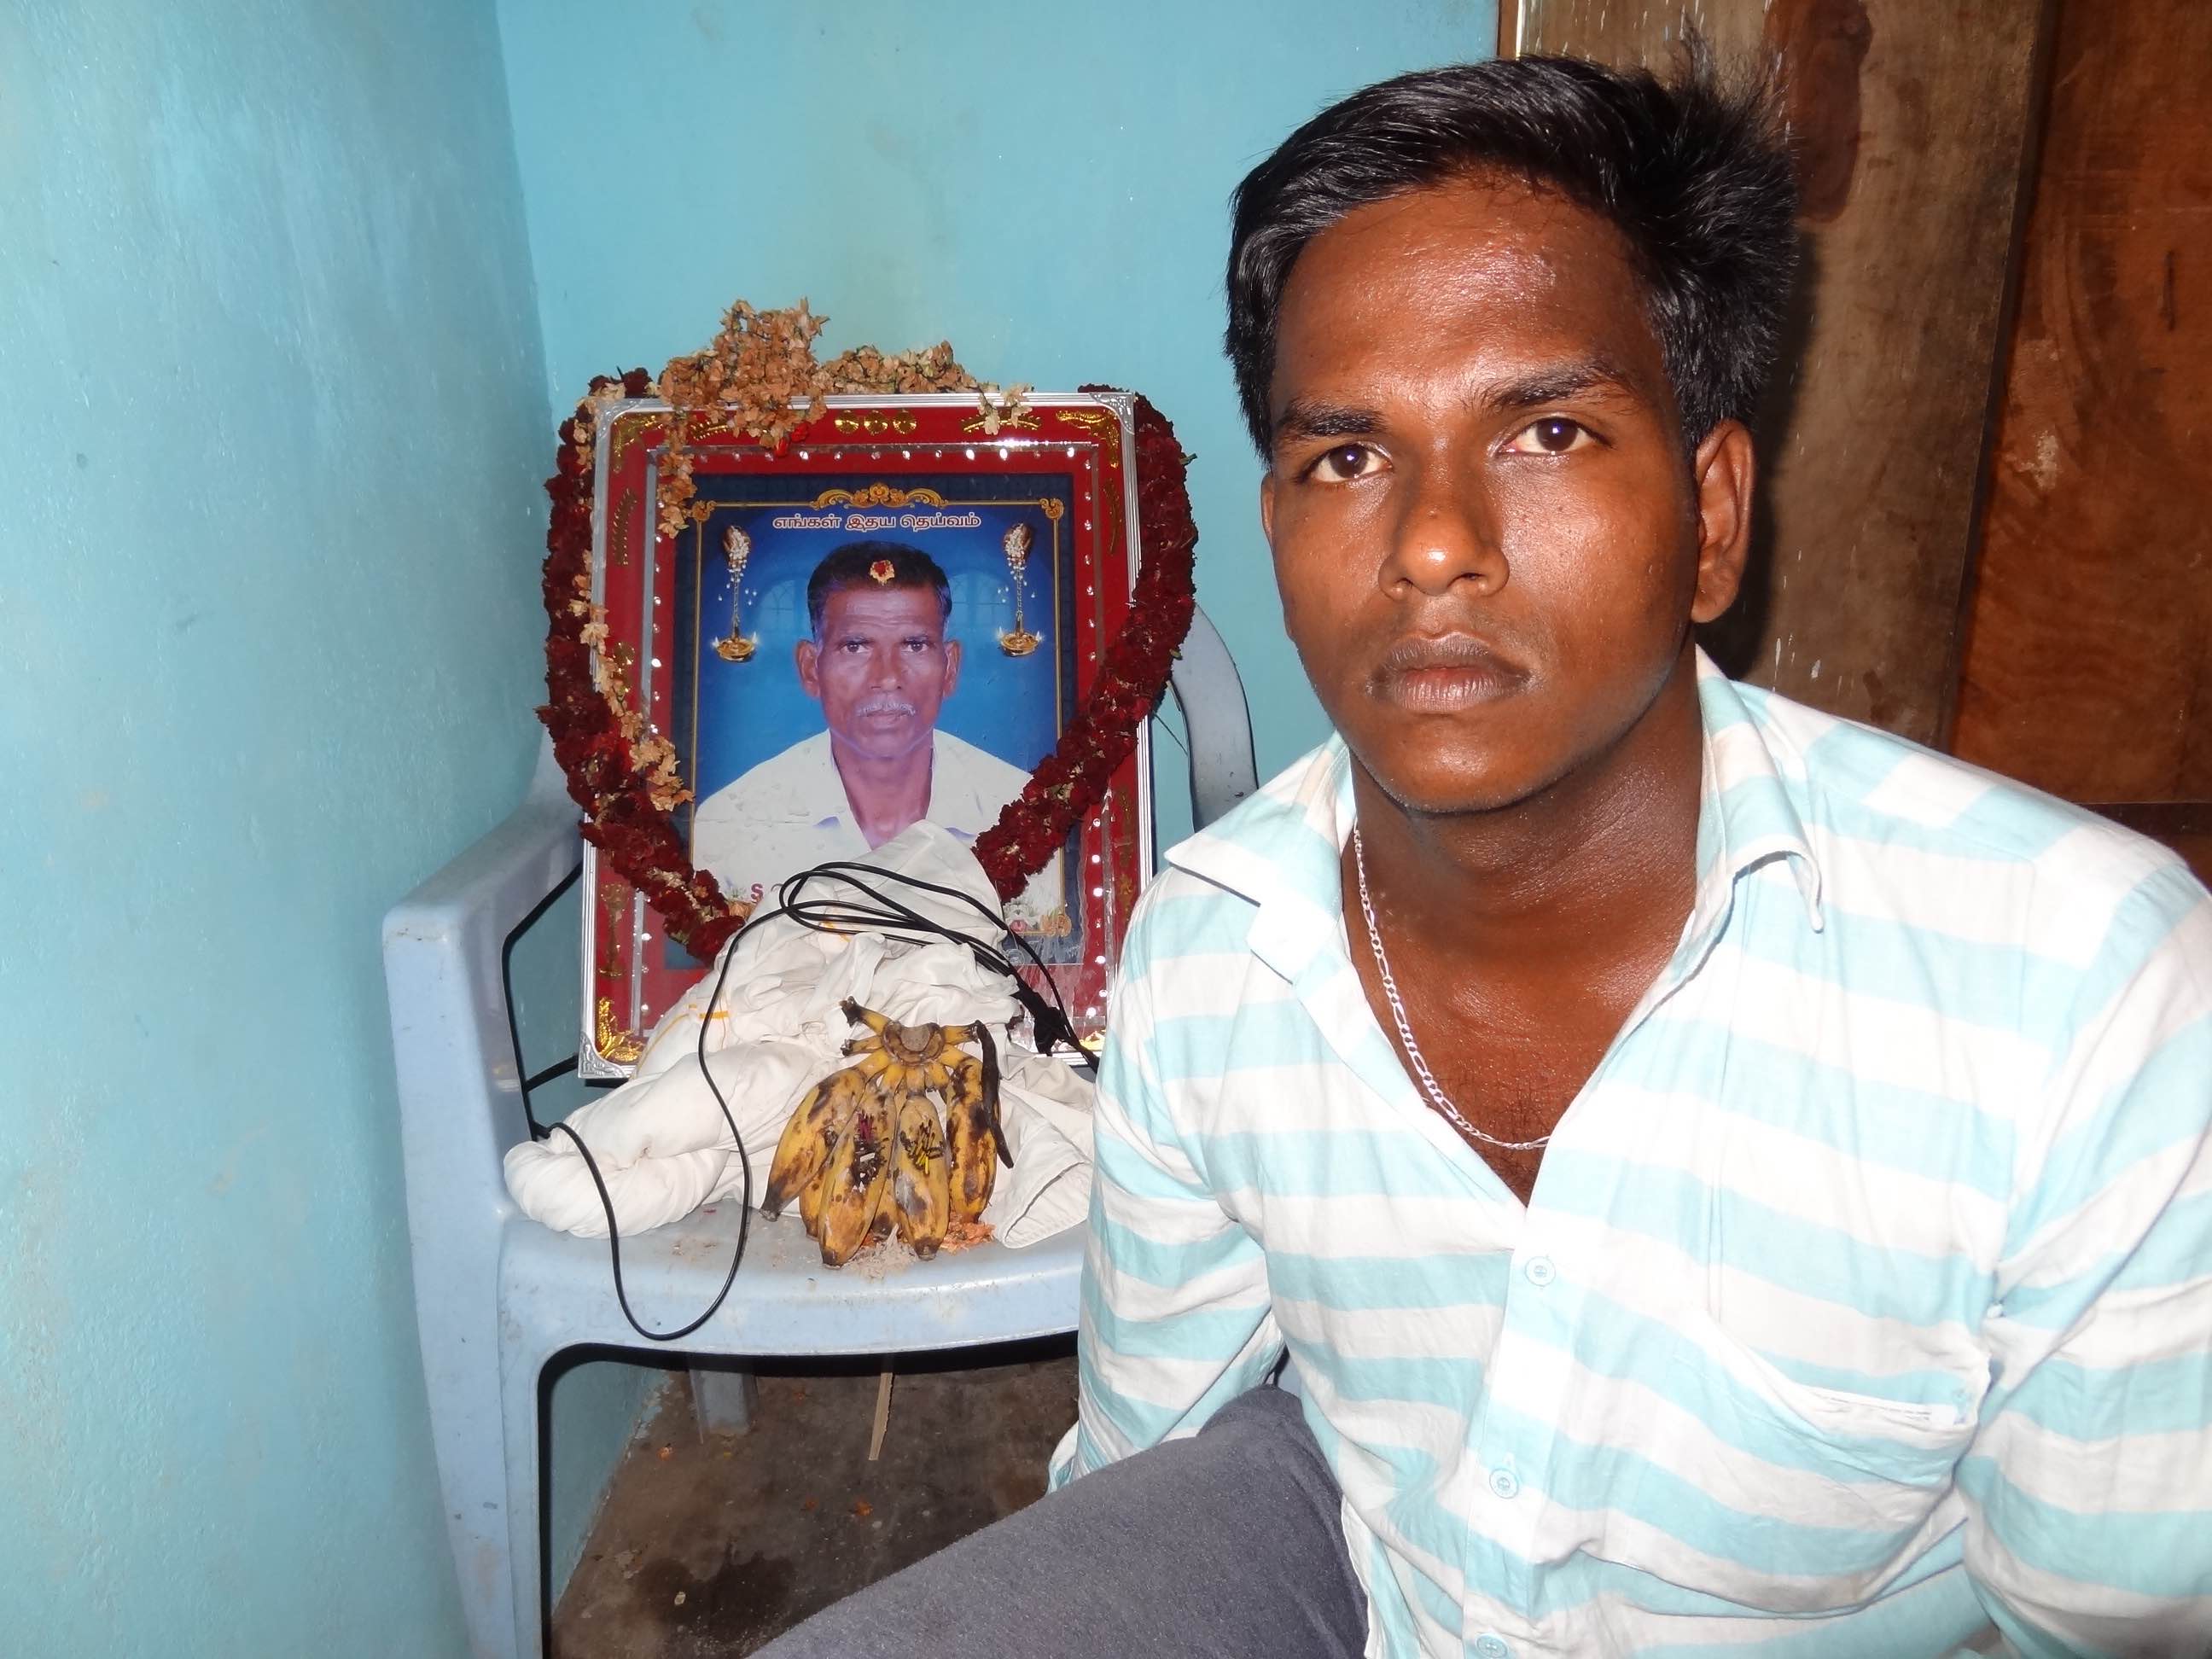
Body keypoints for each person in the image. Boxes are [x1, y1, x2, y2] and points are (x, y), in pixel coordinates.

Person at [755, 49, 2212, 1659]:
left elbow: (2113, 1623)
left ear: (1713, 515)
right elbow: (1142, 1473)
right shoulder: (1213, 949)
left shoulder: (2081, 996)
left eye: (1549, 433)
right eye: (1347, 457)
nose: (1432, 541)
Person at [689, 540, 1062, 925]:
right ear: (810, 668)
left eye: (915, 645)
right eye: (855, 647)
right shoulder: (733, 822)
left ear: (950, 668)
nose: (887, 678)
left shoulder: (1022, 813)